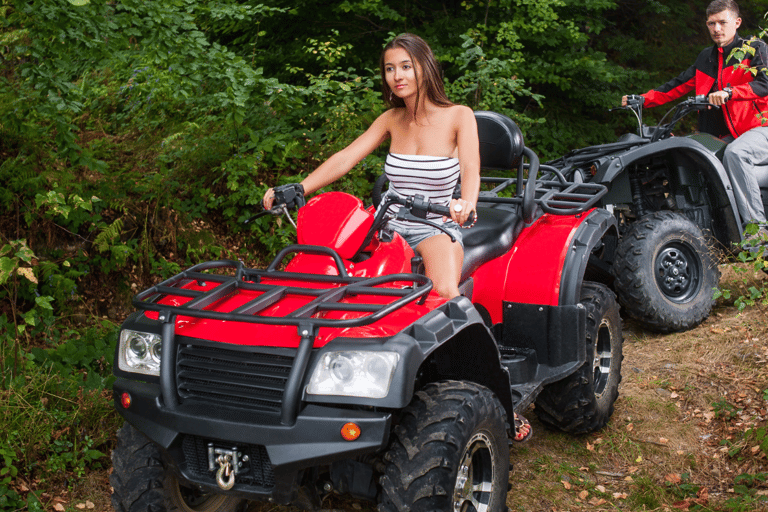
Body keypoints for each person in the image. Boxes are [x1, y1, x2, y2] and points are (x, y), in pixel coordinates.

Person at [263, 33, 480, 300]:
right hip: (386, 226)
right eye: (390, 69)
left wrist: (467, 203)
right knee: (335, 282)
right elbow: (346, 157)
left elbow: (471, 168)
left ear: (425, 67)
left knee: (443, 294)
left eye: (405, 66)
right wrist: (299, 187)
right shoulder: (391, 118)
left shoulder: (459, 116)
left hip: (434, 228)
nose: (397, 76)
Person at [622, 0, 768, 241]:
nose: (716, 28)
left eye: (723, 22)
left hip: (760, 127)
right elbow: (677, 86)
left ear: (737, 22)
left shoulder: (755, 48)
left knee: (736, 154)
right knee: (697, 158)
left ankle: (757, 230)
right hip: (728, 135)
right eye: (711, 23)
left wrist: (731, 92)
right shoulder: (706, 58)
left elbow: (765, 83)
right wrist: (643, 100)